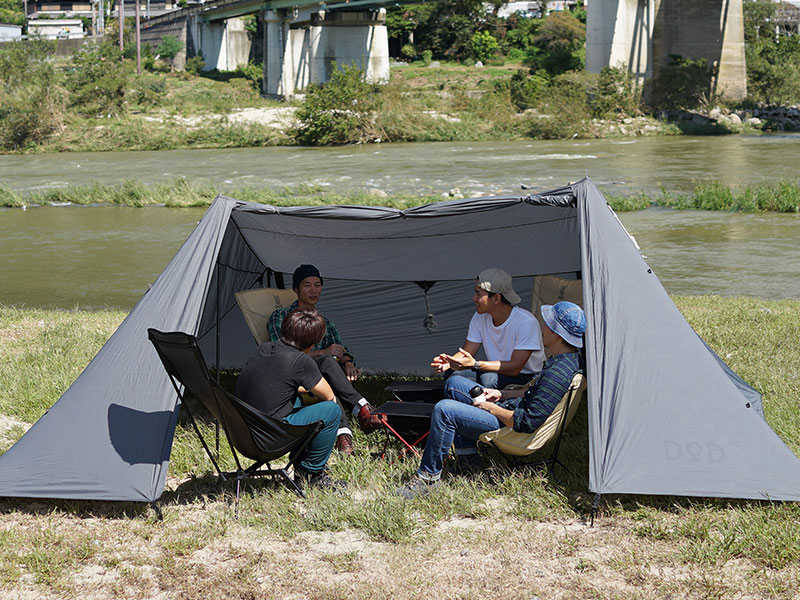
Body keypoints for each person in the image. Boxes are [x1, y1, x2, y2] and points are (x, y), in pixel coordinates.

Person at [399, 301, 586, 499]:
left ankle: (428, 479)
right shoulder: (566, 361)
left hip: (511, 426)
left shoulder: (557, 374)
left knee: (444, 410)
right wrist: (502, 394)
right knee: (455, 385)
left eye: (547, 324)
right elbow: (535, 394)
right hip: (510, 407)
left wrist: (489, 407)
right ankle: (468, 459)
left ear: (557, 334)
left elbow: (526, 422)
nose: (542, 327)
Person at [267, 264, 383, 455]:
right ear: (296, 289)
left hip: (323, 374)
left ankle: (344, 437)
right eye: (307, 285)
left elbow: (342, 349)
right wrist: (323, 353)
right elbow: (281, 354)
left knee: (329, 366)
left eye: (317, 285)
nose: (313, 290)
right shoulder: (281, 317)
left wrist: (347, 362)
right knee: (328, 362)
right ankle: (362, 410)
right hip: (295, 373)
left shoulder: (326, 323)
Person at [236, 309, 344, 490]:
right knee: (331, 410)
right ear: (313, 342)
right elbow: (328, 396)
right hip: (268, 439)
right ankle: (311, 473)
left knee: (298, 401)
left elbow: (274, 382)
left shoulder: (263, 348)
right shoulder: (300, 360)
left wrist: (298, 387)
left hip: (243, 434)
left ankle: (303, 465)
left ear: (284, 329)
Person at [431, 268, 544, 400]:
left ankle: (490, 415)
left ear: (496, 298)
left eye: (478, 294)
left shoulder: (526, 322)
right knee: (453, 372)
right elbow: (467, 351)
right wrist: (449, 362)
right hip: (494, 371)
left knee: (488, 379)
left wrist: (476, 364)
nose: (474, 298)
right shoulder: (479, 317)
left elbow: (515, 368)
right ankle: (464, 413)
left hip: (526, 378)